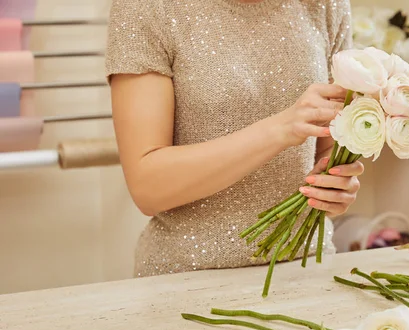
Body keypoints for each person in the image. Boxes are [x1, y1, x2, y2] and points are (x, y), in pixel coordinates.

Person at [105, 0, 363, 277]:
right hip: (186, 280)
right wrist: (279, 130)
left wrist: (336, 185)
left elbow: (328, 142)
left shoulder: (326, 4)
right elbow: (147, 187)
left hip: (307, 270)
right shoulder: (147, 7)